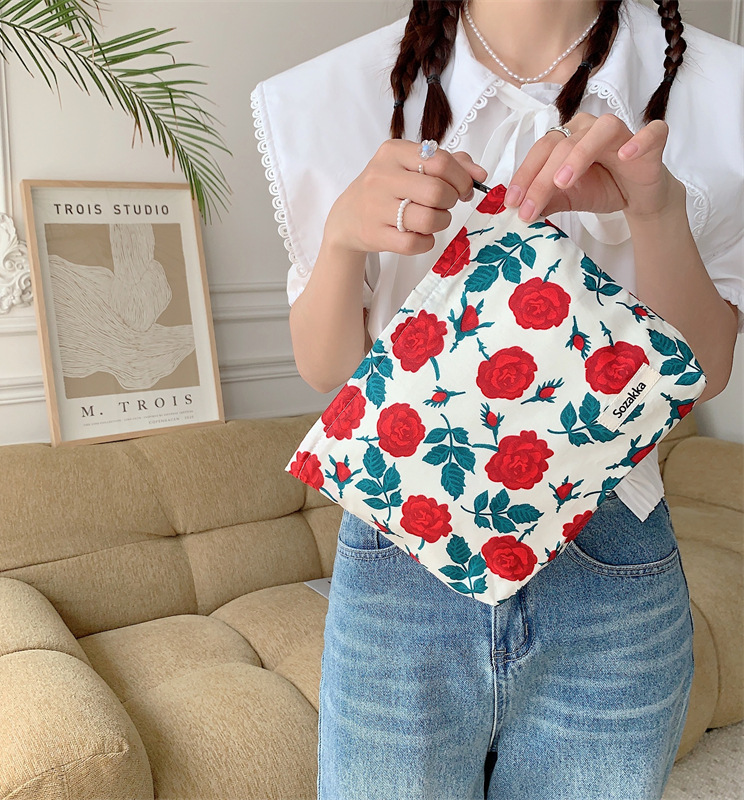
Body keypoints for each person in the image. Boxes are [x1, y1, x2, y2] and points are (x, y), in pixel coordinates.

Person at [251, 1, 743, 797]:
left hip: (614, 555)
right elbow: (327, 365)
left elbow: (704, 370)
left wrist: (655, 212)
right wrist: (342, 234)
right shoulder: (331, 94)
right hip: (401, 549)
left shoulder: (722, 92)